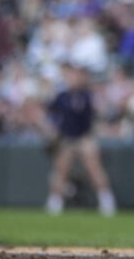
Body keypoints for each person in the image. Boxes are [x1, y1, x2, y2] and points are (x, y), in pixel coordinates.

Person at [43, 62, 116, 217]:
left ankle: (107, 202)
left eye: (76, 75)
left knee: (95, 169)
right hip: (67, 139)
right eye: (70, 75)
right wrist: (53, 134)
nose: (72, 79)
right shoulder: (61, 96)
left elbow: (100, 113)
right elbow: (50, 116)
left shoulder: (88, 95)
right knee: (60, 171)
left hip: (84, 137)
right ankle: (54, 203)